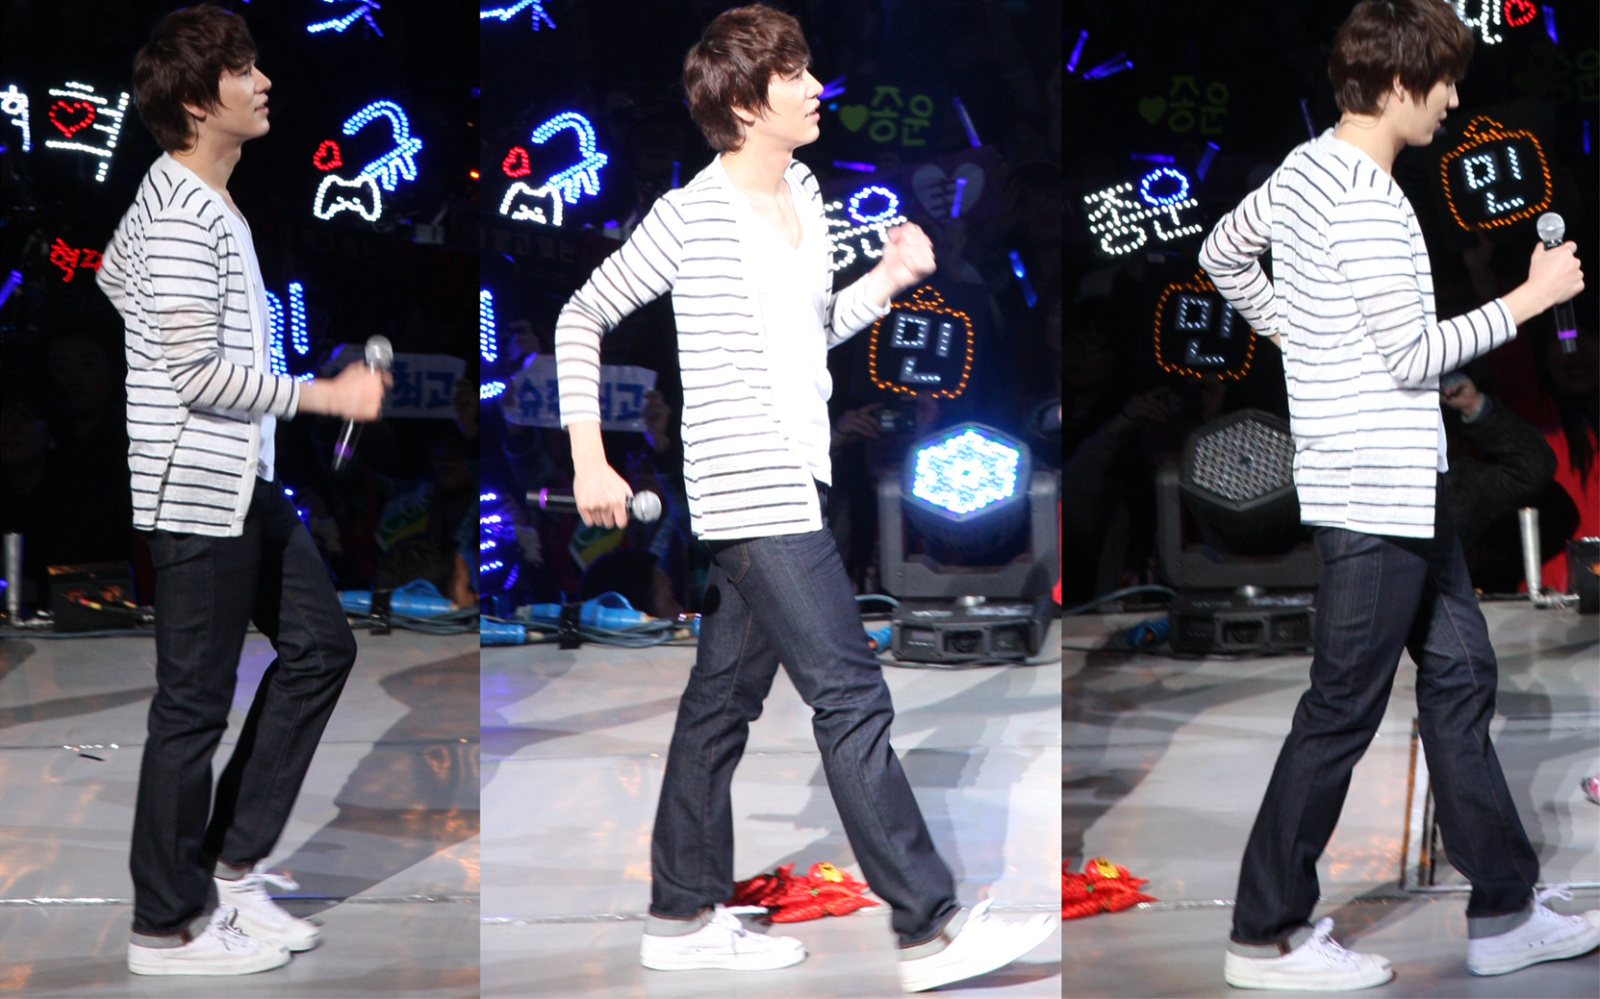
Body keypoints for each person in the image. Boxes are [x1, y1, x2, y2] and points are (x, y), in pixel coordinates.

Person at [554, 5, 1055, 992]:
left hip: (798, 476)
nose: (818, 87)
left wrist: (889, 279)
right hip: (751, 490)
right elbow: (582, 313)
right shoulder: (691, 216)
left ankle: (680, 915)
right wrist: (588, 459)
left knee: (720, 705)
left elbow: (809, 330)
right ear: (747, 103)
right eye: (796, 75)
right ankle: (929, 928)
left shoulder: (807, 190)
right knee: (851, 695)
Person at [1198, 0, 1597, 989]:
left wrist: (1294, 329)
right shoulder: (1366, 200)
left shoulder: (1304, 168)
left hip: (1401, 488)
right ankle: (1264, 934)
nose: (1453, 100)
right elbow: (1414, 356)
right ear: (1397, 83)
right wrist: (1530, 299)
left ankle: (1503, 907)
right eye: (1444, 81)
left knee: (1460, 680)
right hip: (1373, 489)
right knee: (1341, 709)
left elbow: (1219, 253)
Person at [97, 4, 387, 977]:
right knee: (192, 708)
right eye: (241, 69)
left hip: (239, 484)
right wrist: (323, 394)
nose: (263, 82)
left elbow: (114, 276)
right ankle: (165, 925)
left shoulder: (192, 198)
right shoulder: (185, 209)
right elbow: (194, 375)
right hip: (195, 488)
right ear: (194, 99)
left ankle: (226, 869)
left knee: (320, 648)